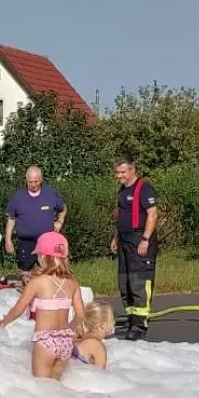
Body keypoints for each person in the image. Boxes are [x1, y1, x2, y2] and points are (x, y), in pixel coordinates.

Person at [0, 232, 86, 381]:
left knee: (42, 390)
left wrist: (3, 323)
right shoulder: (72, 282)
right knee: (56, 389)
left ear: (43, 256)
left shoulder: (37, 282)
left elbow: (18, 309)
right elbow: (81, 315)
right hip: (66, 342)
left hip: (45, 341)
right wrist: (69, 329)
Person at [110, 155, 157, 341]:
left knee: (139, 283)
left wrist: (145, 239)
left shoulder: (144, 188)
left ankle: (139, 325)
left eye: (123, 172)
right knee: (125, 282)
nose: (119, 176)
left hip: (139, 240)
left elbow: (152, 215)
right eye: (117, 173)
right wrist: (115, 237)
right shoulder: (122, 190)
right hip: (124, 241)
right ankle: (131, 320)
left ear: (132, 170)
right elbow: (120, 215)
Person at [4, 166, 66, 274]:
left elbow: (63, 208)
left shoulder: (50, 193)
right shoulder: (18, 196)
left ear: (41, 179)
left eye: (36, 181)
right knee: (24, 274)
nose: (33, 185)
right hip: (25, 243)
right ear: (26, 180)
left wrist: (60, 221)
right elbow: (11, 218)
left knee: (49, 273)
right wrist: (8, 240)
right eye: (30, 182)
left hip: (47, 241)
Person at [72, 299, 115, 370]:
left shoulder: (78, 340)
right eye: (112, 320)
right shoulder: (97, 346)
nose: (114, 323)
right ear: (102, 325)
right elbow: (101, 376)